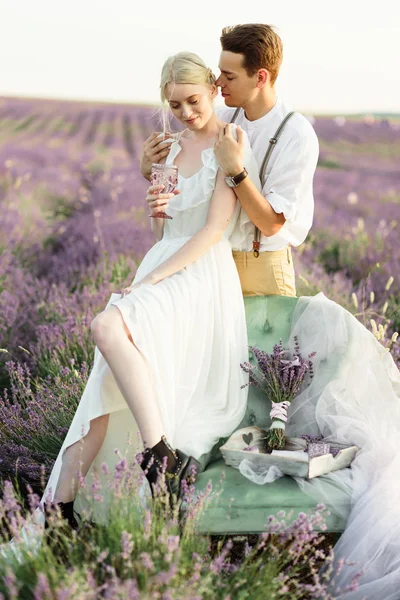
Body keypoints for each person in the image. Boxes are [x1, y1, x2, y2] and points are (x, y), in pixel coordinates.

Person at [1, 51, 263, 556]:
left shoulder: (232, 143)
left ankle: (155, 454)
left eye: (193, 101)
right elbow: (163, 230)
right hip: (162, 265)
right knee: (101, 390)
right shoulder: (169, 148)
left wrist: (154, 280)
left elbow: (212, 232)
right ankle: (63, 516)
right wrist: (155, 207)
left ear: (212, 88)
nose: (186, 113)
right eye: (175, 105)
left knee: (105, 326)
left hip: (198, 277)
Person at [140, 23, 319, 299]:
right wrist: (148, 169)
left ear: (260, 78)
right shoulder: (222, 114)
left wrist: (235, 171)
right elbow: (188, 174)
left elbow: (271, 224)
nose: (218, 82)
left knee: (271, 345)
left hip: (264, 269)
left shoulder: (296, 134)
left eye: (229, 76)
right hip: (216, 266)